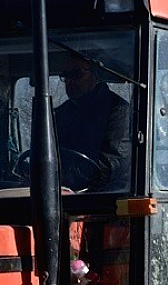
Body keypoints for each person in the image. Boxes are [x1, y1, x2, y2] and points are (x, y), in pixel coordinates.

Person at [54, 55, 130, 191]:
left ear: (95, 74)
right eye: (66, 75)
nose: (70, 80)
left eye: (76, 74)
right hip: (62, 196)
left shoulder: (118, 111)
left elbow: (112, 164)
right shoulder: (60, 114)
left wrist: (62, 179)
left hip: (106, 200)